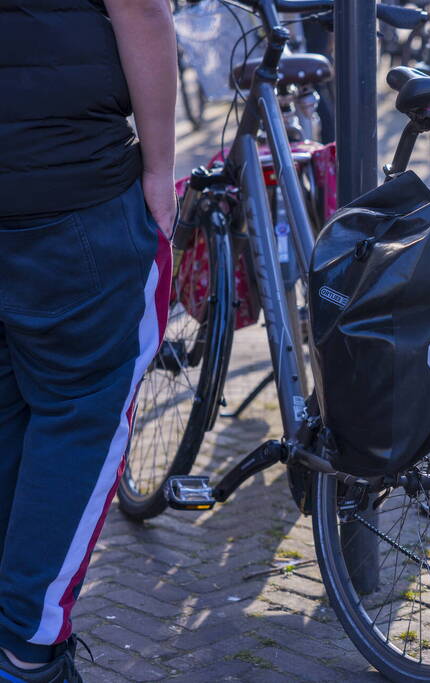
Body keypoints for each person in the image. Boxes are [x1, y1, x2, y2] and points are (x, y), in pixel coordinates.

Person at [0, 0, 177, 679]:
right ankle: (26, 651)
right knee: (82, 416)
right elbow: (142, 9)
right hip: (70, 192)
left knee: (11, 417)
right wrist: (159, 169)